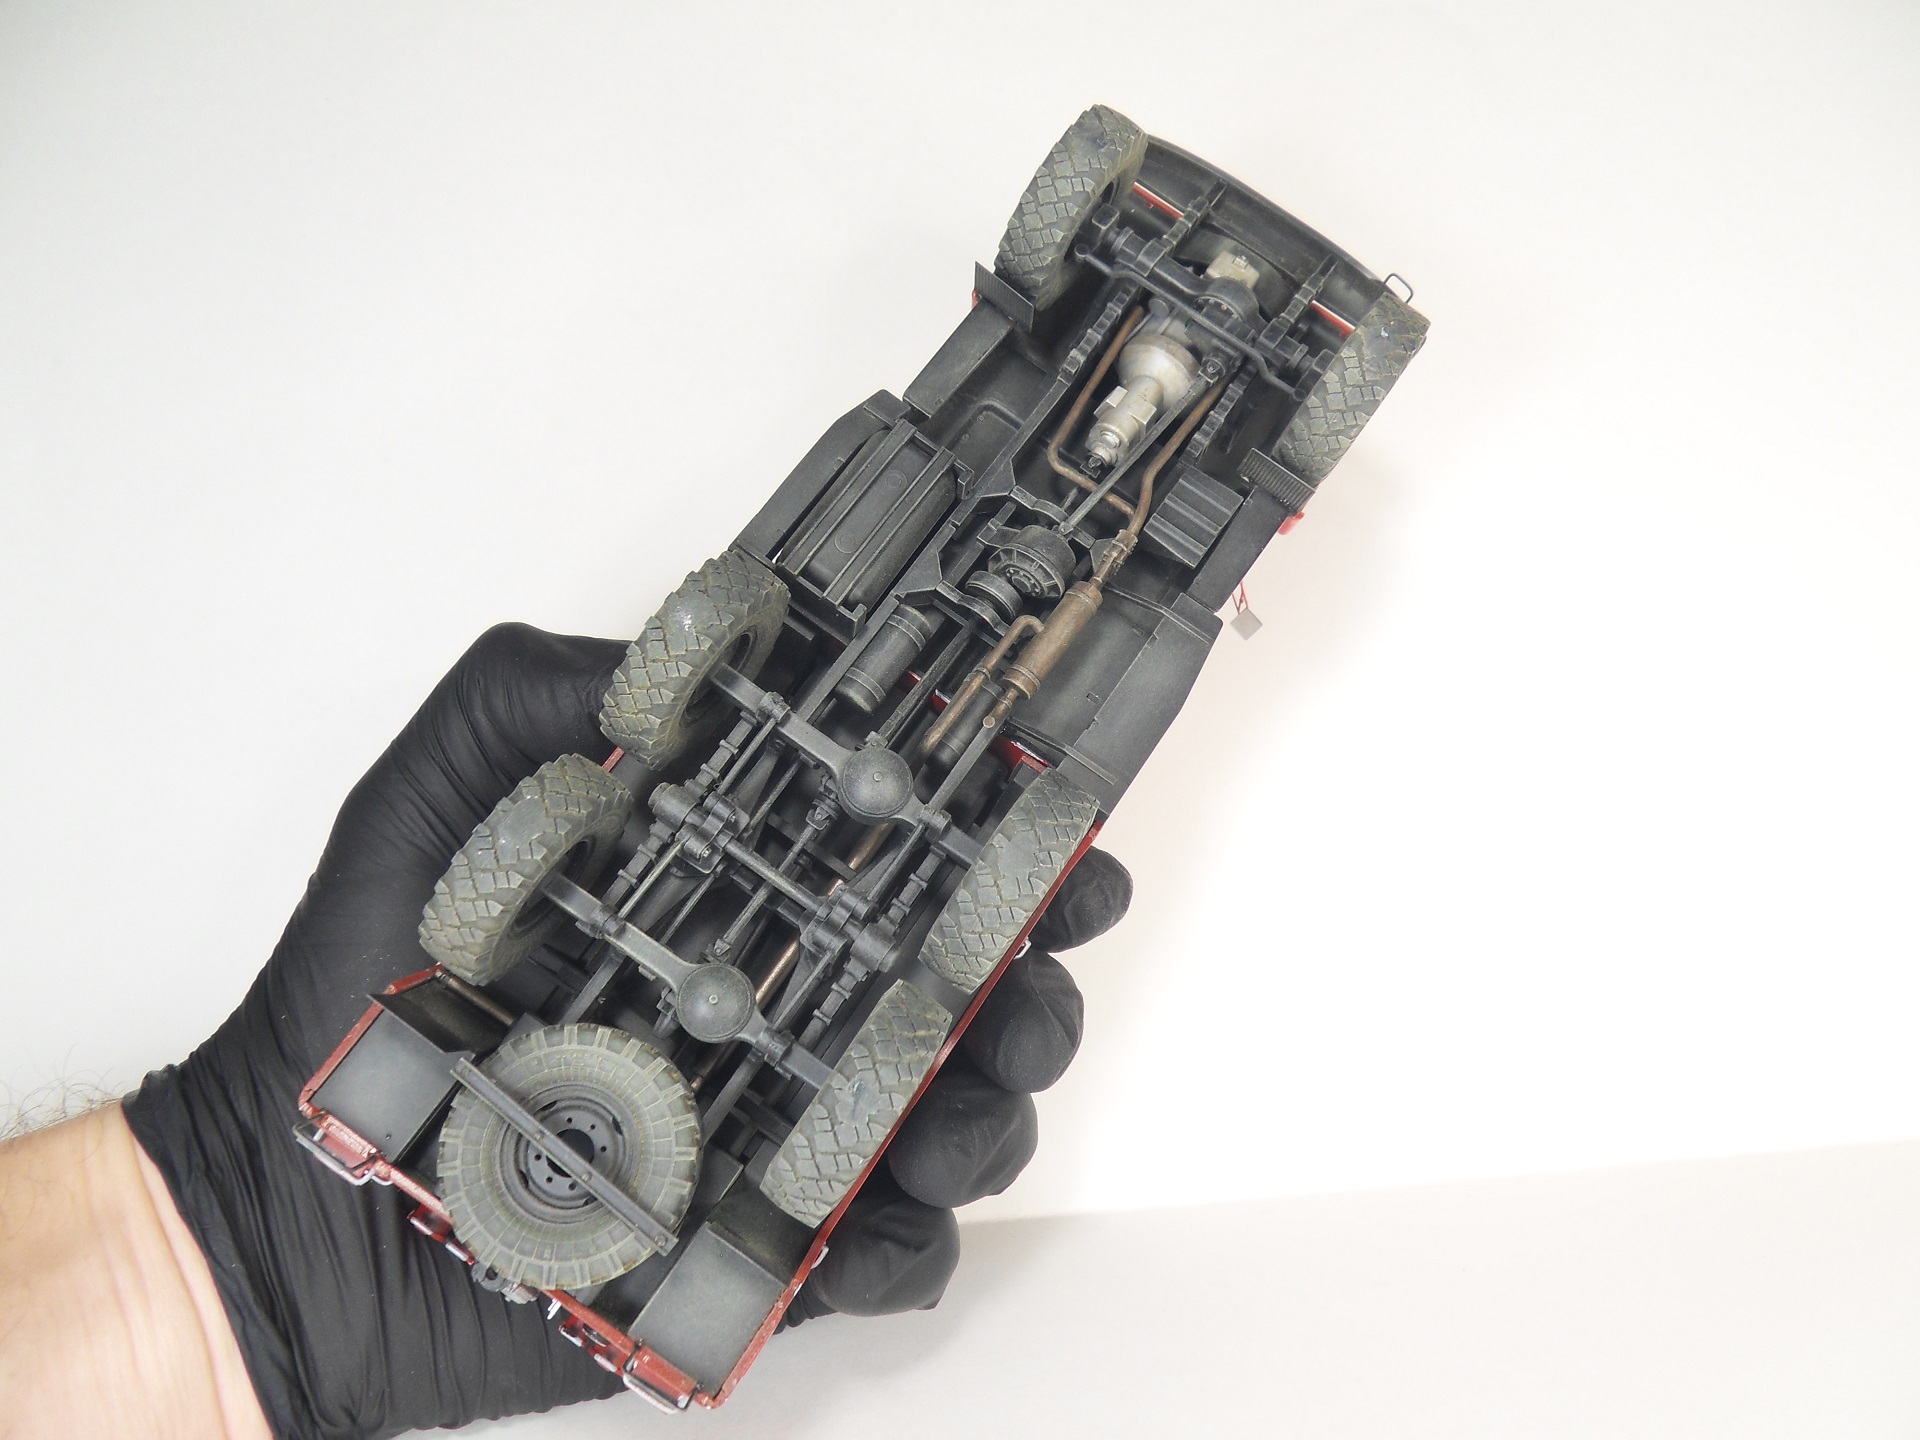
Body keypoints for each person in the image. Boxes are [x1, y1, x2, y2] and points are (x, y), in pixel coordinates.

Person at [0, 622, 1131, 1440]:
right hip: (602, 1135)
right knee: (914, 1052)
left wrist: (196, 1224)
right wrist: (245, 1291)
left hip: (573, 1041)